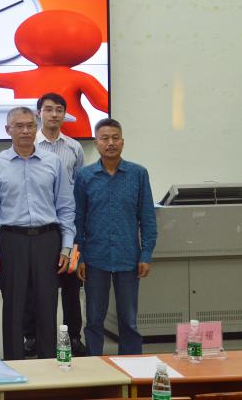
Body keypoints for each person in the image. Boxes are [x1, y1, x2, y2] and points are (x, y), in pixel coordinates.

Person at [0, 107, 75, 361]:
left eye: (30, 125)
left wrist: (67, 246)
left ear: (37, 128)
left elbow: (66, 207)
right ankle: (14, 361)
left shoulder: (53, 162)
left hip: (48, 239)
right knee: (14, 304)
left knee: (47, 303)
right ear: (8, 130)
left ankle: (47, 361)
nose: (25, 131)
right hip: (12, 240)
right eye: (19, 126)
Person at [76, 118, 157, 356]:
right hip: (95, 258)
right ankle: (93, 365)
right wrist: (80, 257)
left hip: (128, 258)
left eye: (115, 138)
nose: (110, 143)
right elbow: (78, 220)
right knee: (94, 319)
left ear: (122, 142)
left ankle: (131, 365)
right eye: (105, 138)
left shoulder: (138, 174)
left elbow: (147, 218)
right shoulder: (85, 176)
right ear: (96, 143)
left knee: (129, 320)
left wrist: (146, 255)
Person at [23, 93, 87, 358]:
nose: (54, 114)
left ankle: (72, 336)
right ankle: (33, 336)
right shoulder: (29, 145)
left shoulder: (74, 148)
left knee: (70, 285)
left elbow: (79, 187)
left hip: (67, 225)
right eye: (48, 109)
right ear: (39, 113)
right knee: (33, 285)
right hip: (39, 224)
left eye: (59, 110)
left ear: (64, 114)